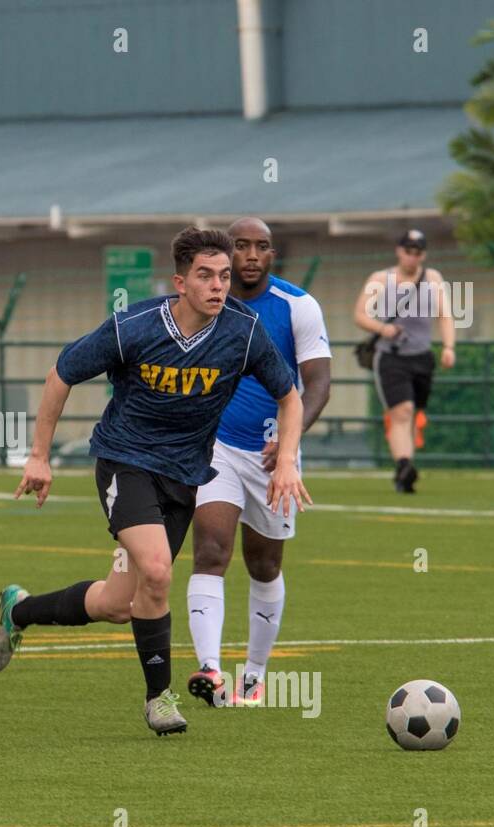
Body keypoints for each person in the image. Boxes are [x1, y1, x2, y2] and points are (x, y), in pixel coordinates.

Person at [0, 228, 311, 736]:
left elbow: (290, 395)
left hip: (183, 478)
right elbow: (61, 374)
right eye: (205, 275)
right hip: (125, 462)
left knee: (121, 603)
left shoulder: (242, 332)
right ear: (180, 282)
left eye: (224, 276)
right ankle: (159, 699)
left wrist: (287, 458)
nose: (218, 286)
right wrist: (39, 457)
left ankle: (20, 609)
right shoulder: (135, 326)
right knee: (158, 571)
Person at [185, 218, 332, 707]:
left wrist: (289, 445)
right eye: (241, 246)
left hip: (275, 457)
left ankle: (254, 674)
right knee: (210, 549)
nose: (250, 255)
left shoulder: (298, 307)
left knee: (264, 565)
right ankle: (210, 670)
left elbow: (318, 385)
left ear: (272, 255)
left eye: (261, 247)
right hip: (216, 447)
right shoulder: (204, 304)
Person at [352, 229, 456, 493]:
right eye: (408, 251)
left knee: (413, 413)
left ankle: (405, 468)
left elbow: (445, 315)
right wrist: (382, 329)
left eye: (417, 252)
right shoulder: (381, 279)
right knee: (402, 412)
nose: (412, 257)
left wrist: (448, 346)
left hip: (422, 357)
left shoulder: (433, 278)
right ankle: (404, 465)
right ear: (399, 251)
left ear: (424, 255)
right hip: (391, 357)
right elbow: (360, 314)